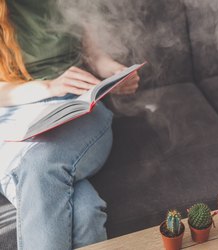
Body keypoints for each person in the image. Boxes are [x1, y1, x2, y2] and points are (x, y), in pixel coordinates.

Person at [0, 0, 140, 249]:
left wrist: (115, 74)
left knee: (39, 165)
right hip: (15, 114)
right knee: (85, 213)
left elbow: (97, 58)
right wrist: (47, 87)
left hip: (75, 105)